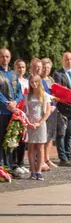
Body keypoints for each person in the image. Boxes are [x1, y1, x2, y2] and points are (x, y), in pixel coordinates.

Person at [53, 52, 71, 166]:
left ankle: (69, 156)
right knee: (61, 134)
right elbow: (60, 93)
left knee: (69, 134)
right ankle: (63, 158)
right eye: (66, 59)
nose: (69, 61)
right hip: (62, 109)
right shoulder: (58, 74)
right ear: (62, 61)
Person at [0, 48, 23, 177]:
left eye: (7, 56)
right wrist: (6, 103)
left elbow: (19, 91)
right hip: (2, 112)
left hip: (13, 112)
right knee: (1, 140)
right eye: (2, 56)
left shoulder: (14, 74)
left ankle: (9, 167)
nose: (5, 59)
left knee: (11, 140)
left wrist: (15, 102)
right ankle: (2, 167)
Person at [26, 74, 51, 180]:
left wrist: (39, 122)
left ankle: (39, 171)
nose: (34, 84)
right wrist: (28, 123)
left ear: (39, 82)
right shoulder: (27, 96)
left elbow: (48, 112)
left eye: (36, 82)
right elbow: (25, 111)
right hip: (30, 124)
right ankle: (32, 171)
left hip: (40, 124)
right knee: (31, 148)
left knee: (40, 148)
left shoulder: (44, 95)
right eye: (32, 82)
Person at [12, 60, 30, 175]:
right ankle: (14, 164)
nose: (21, 69)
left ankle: (21, 162)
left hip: (25, 113)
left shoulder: (27, 82)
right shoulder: (12, 81)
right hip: (15, 112)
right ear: (15, 68)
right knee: (15, 138)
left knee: (23, 139)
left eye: (23, 67)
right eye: (19, 67)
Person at [41, 58, 58, 170]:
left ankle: (47, 158)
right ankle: (41, 160)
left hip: (52, 110)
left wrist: (54, 105)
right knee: (43, 135)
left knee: (51, 135)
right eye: (44, 67)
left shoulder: (51, 79)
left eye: (48, 67)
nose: (46, 69)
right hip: (43, 110)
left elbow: (56, 94)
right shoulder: (38, 80)